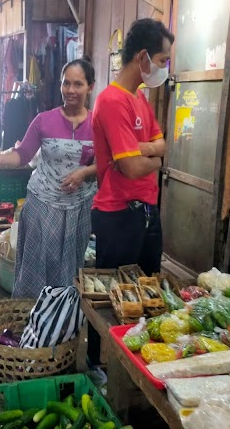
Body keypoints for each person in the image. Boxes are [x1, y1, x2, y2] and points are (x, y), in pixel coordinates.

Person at [0, 58, 97, 297]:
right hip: (42, 203)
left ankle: (60, 319)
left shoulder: (98, 123)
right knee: (36, 262)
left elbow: (107, 162)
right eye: (66, 83)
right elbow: (23, 155)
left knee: (70, 267)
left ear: (90, 86)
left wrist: (86, 172)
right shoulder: (44, 121)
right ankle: (31, 317)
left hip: (79, 207)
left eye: (78, 84)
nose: (70, 90)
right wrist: (1, 158)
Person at [91, 18, 173, 275]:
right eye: (162, 60)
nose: (164, 67)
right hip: (119, 215)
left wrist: (143, 148)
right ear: (142, 57)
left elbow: (162, 146)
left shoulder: (138, 98)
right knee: (116, 298)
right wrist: (153, 158)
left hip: (147, 210)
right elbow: (133, 168)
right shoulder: (112, 101)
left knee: (148, 292)